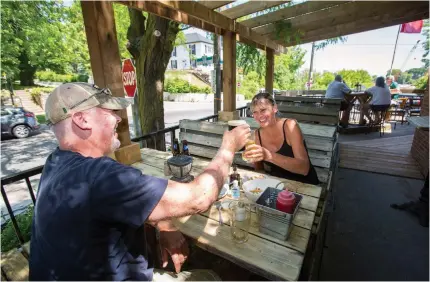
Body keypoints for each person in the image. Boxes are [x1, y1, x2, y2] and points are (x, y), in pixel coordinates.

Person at [29, 83, 250, 281]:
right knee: (211, 277)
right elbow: (198, 197)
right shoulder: (100, 175)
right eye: (110, 112)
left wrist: (164, 223)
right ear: (82, 119)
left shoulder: (56, 162)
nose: (119, 119)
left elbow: (115, 204)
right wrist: (228, 147)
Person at [242, 92, 319, 185]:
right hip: (277, 185)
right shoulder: (257, 135)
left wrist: (268, 156)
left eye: (263, 110)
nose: (259, 116)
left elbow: (304, 168)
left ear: (274, 108)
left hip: (305, 186)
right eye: (255, 112)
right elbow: (259, 168)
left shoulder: (290, 126)